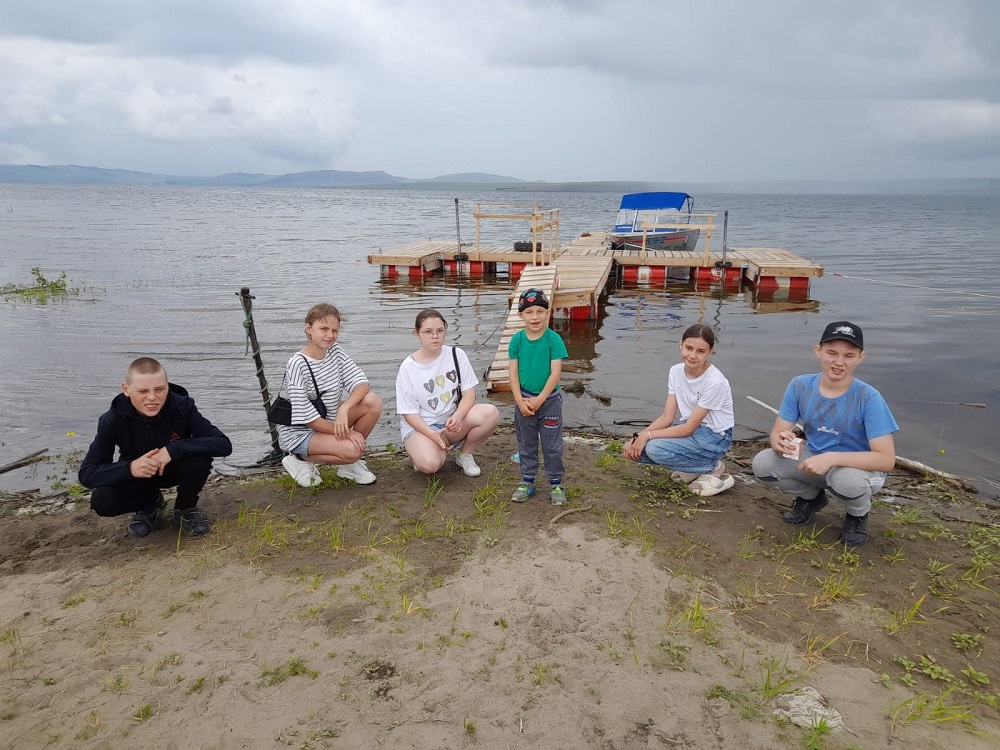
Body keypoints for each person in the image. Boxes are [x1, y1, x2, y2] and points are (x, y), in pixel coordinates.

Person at [751, 321, 898, 547]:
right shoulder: (800, 385)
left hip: (860, 470)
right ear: (818, 351)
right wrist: (780, 441)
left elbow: (886, 460)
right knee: (763, 464)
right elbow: (778, 432)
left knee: (846, 481)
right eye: (832, 353)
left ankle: (857, 514)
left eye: (849, 356)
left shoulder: (869, 398)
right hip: (815, 460)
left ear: (861, 357)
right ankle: (812, 498)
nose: (839, 362)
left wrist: (832, 458)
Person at [79, 357, 233, 537]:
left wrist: (173, 449)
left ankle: (185, 508)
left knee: (199, 457)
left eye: (160, 389)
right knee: (102, 500)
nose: (152, 397)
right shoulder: (112, 420)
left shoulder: (183, 407)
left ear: (167, 386)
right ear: (126, 389)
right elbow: (87, 473)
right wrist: (130, 468)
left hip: (175, 468)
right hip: (140, 476)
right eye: (143, 391)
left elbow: (223, 444)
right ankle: (149, 504)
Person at [277, 303, 383, 488]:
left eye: (335, 330)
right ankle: (298, 458)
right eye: (324, 329)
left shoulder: (335, 351)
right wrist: (348, 432)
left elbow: (362, 383)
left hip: (330, 421)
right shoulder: (297, 364)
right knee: (353, 450)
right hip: (301, 432)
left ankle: (347, 466)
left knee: (372, 402)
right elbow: (308, 419)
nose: (330, 335)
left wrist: (344, 408)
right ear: (309, 329)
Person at [622, 324, 735, 496]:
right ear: (681, 344)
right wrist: (638, 436)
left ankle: (712, 466)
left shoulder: (715, 382)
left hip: (714, 436)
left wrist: (647, 436)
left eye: (701, 351)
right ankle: (695, 466)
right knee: (633, 448)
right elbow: (667, 417)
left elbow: (689, 428)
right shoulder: (675, 371)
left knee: (654, 449)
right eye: (689, 348)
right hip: (690, 427)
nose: (693, 355)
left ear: (710, 352)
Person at [395, 308, 500, 476]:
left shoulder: (456, 355)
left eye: (440, 330)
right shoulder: (408, 367)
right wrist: (432, 434)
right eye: (428, 332)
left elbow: (469, 394)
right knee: (430, 465)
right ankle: (423, 451)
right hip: (422, 427)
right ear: (416, 333)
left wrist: (457, 416)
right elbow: (409, 413)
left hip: (450, 422)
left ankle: (464, 454)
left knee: (490, 413)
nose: (435, 336)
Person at [508, 289, 569, 505]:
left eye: (540, 311)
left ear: (548, 313)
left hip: (549, 401)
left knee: (552, 445)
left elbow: (555, 374)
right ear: (520, 315)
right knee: (526, 443)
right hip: (524, 400)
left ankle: (555, 483)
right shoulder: (517, 340)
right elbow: (513, 373)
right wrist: (519, 400)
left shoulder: (554, 339)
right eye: (529, 312)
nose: (535, 317)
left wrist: (540, 399)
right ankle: (527, 481)